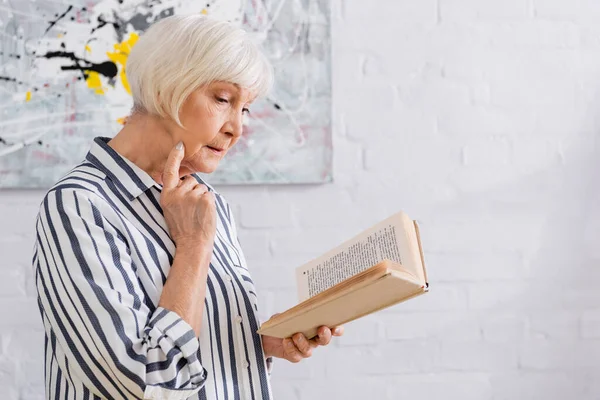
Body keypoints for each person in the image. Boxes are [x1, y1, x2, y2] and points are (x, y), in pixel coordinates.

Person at [32, 14, 343, 400]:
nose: (237, 128)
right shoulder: (78, 205)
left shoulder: (207, 203)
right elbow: (142, 381)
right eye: (223, 99)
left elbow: (192, 346)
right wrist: (193, 246)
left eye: (244, 109)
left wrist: (257, 344)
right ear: (166, 89)